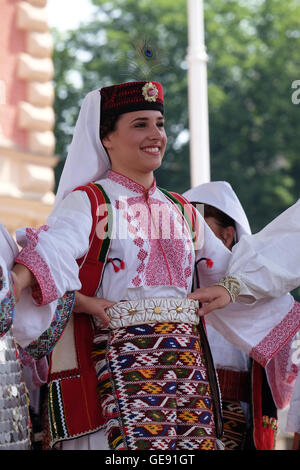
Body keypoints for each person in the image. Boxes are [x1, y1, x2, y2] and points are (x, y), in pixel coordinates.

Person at [10, 81, 300, 451]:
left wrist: (228, 290)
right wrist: (18, 285)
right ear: (107, 139)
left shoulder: (182, 210)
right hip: (114, 371)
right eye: (140, 124)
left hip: (186, 376)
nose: (155, 135)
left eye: (160, 124)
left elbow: (231, 271)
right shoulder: (91, 201)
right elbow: (52, 250)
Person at [184, 181, 297, 450]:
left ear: (226, 235)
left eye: (200, 231)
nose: (190, 240)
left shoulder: (268, 302)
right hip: (180, 419)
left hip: (236, 422)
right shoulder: (173, 290)